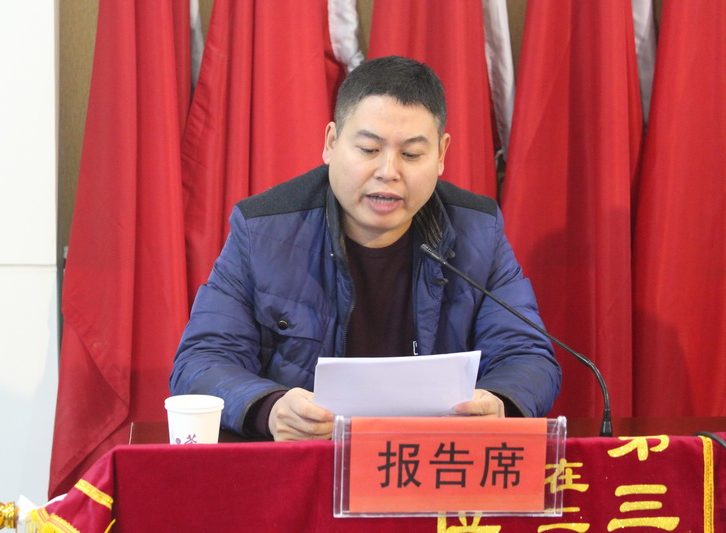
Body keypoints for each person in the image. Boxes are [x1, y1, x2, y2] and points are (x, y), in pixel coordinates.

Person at [170, 56, 560, 441]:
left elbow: (528, 356)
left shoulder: (478, 230)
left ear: (441, 155)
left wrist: (498, 402)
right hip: (306, 462)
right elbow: (201, 361)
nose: (388, 172)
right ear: (331, 143)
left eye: (411, 154)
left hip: (433, 464)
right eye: (369, 149)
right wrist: (270, 408)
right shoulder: (263, 230)